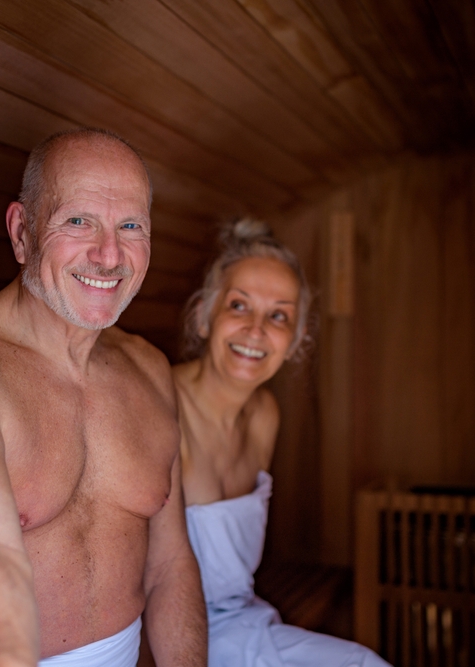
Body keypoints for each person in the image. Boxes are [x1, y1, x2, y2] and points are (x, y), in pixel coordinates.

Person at [0, 128, 207, 667]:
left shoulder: (150, 367)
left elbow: (171, 564)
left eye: (131, 226)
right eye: (78, 220)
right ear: (22, 232)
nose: (108, 254)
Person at [173, 220, 390, 667]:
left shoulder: (265, 417)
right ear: (203, 316)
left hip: (242, 627)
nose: (256, 330)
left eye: (278, 316)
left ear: (294, 341)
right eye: (239, 305)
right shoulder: (162, 408)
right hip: (167, 635)